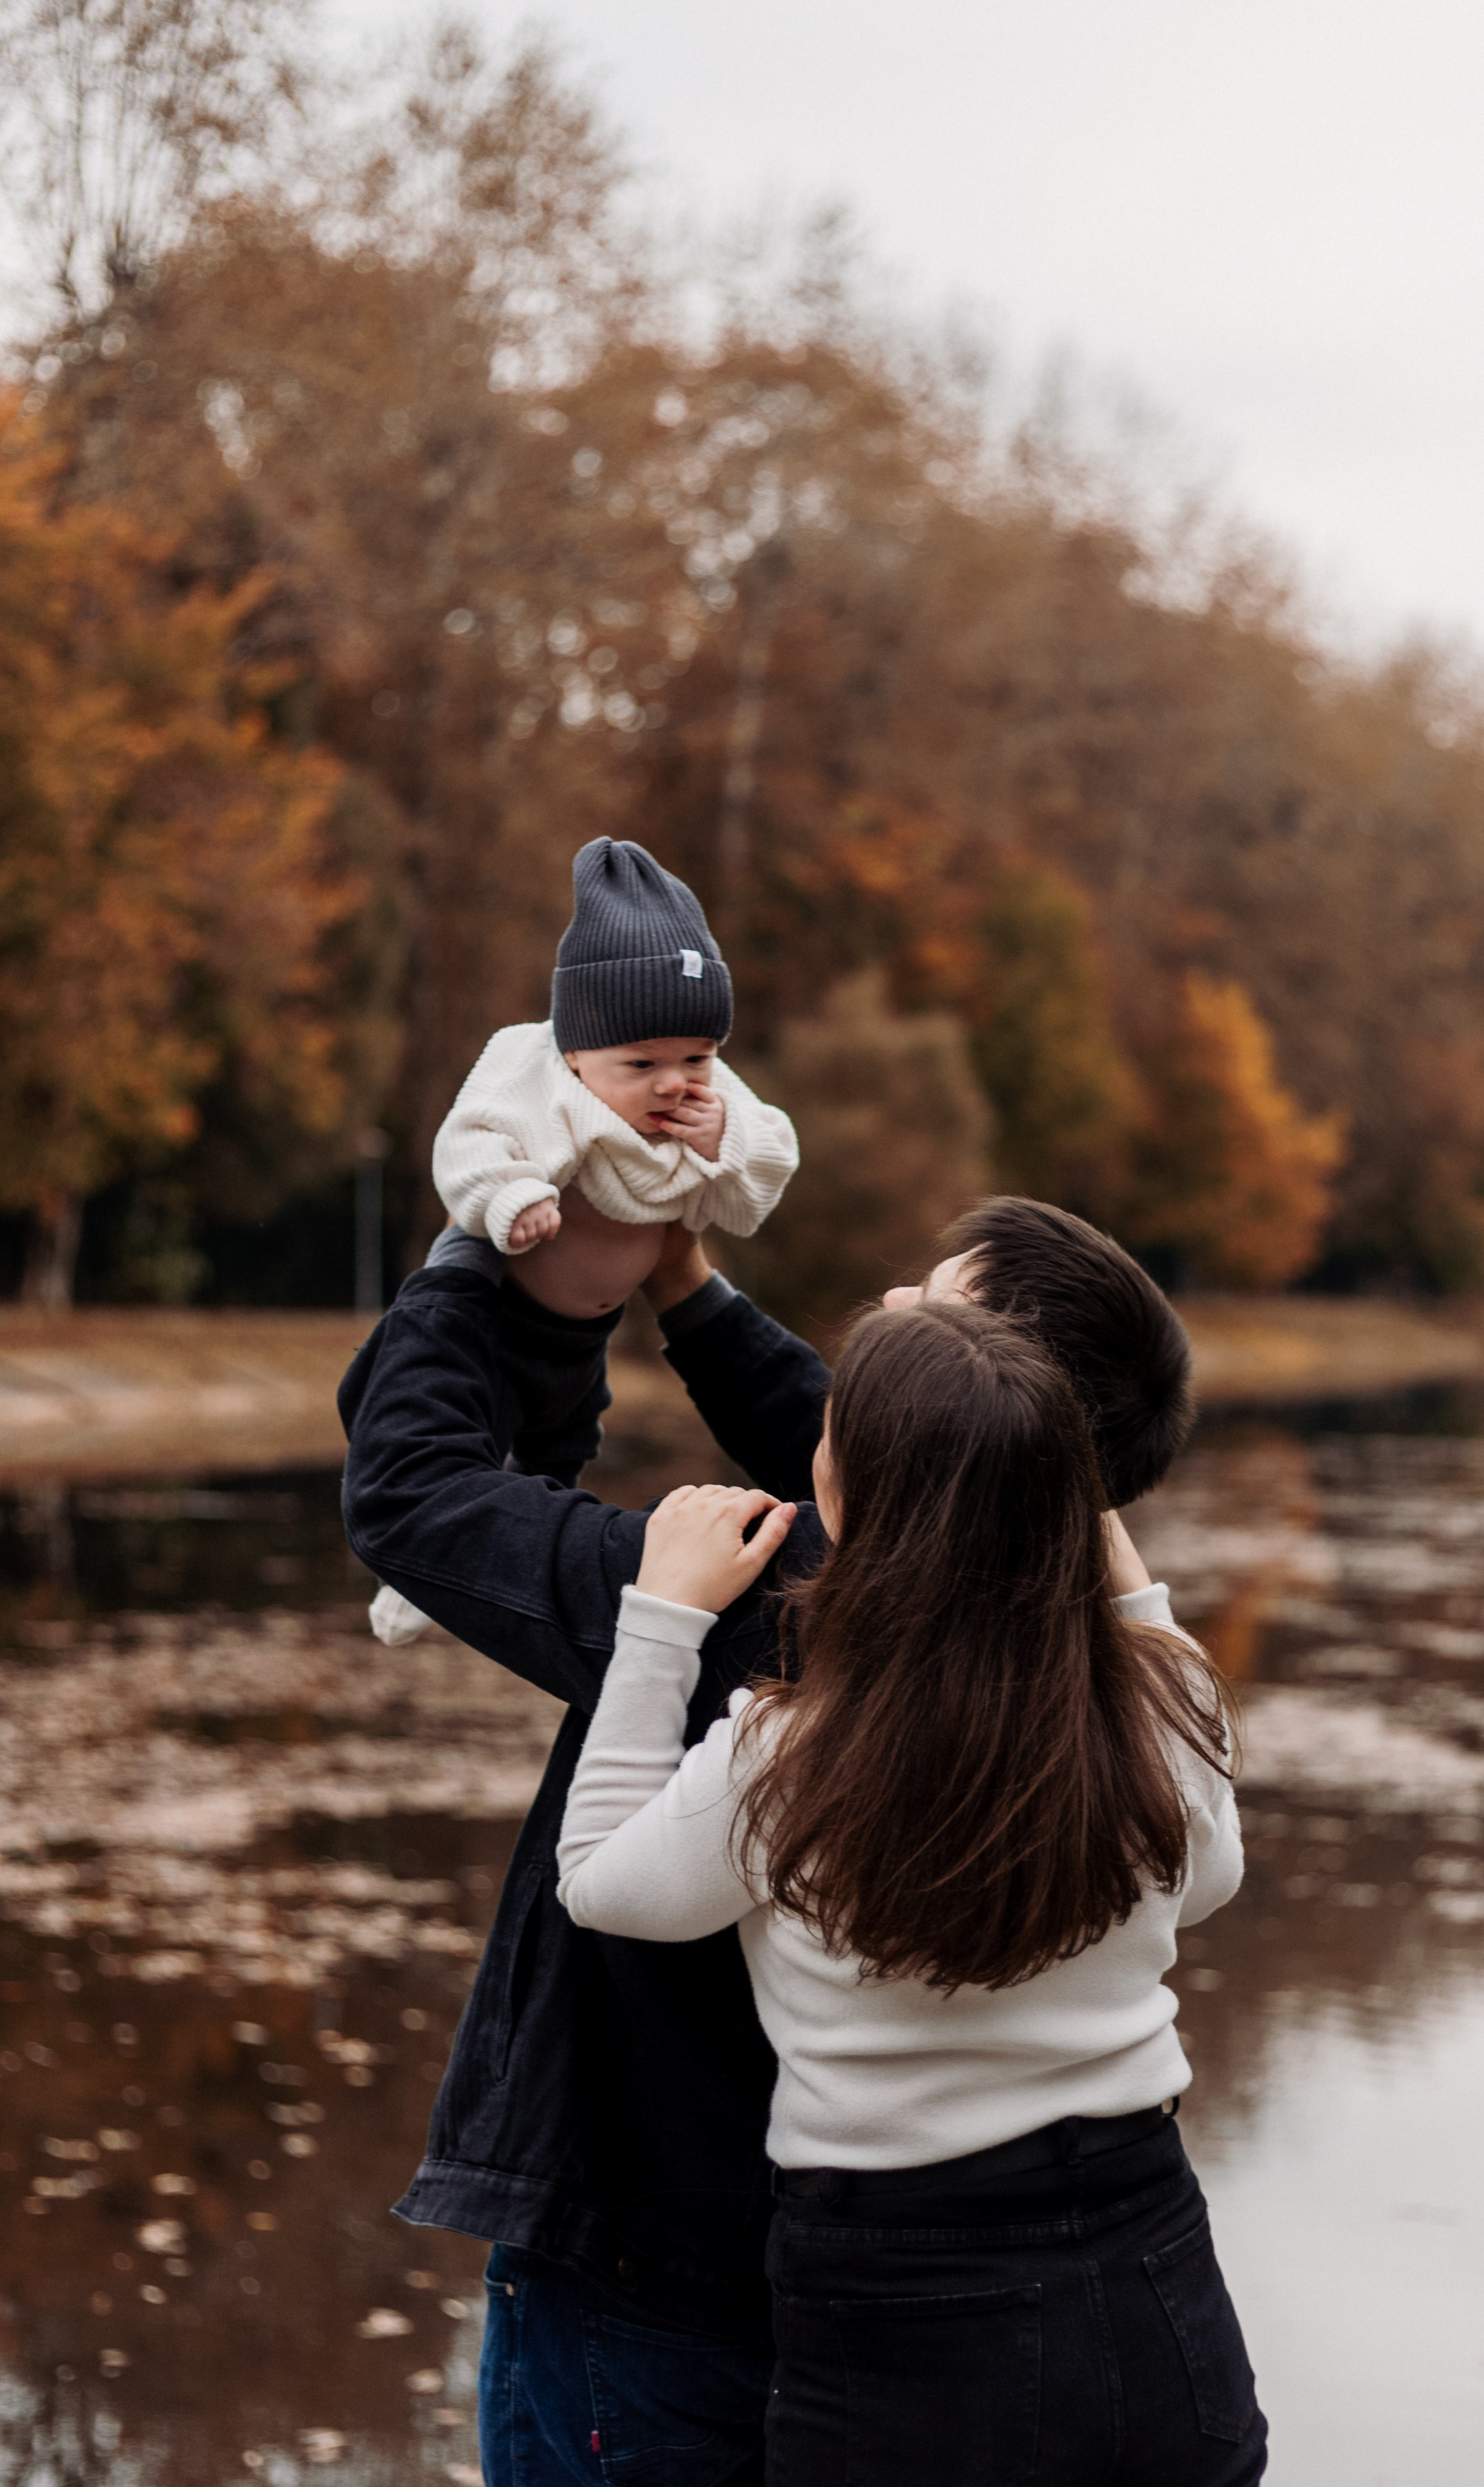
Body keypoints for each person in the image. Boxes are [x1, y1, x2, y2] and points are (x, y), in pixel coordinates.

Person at [338, 1198, 1197, 2485]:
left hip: (647, 2292)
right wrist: (684, 1287)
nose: (888, 1311)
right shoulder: (1104, 1663)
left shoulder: (738, 1613)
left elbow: (410, 1485)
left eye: (926, 1306)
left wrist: (475, 1238)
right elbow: (879, 1461)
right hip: (922, 2305)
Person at [557, 1302, 1265, 2482]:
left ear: (849, 1501)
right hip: (1152, 2277)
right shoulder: (1157, 1699)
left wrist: (662, 1617)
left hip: (903, 2312)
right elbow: (1211, 1881)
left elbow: (603, 1885)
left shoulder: (788, 1755)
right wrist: (1110, 1564)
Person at [368, 835, 796, 1646]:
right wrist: (515, 1198)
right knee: (451, 1447)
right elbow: (468, 1144)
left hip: (583, 1339)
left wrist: (723, 1139)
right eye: (641, 1065)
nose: (675, 1084)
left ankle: (467, 1580)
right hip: (497, 1319)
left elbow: (764, 1175)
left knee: (558, 1456)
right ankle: (411, 1576)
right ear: (574, 1052)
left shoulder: (710, 1093)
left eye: (697, 1060)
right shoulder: (531, 1076)